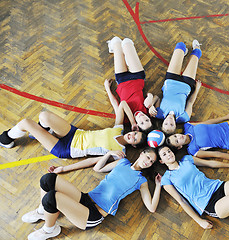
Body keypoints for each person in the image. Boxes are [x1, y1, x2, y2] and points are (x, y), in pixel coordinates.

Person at [21, 147, 161, 239]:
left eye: (151, 161)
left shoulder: (141, 181)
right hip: (86, 198)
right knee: (47, 179)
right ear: (142, 153)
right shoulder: (122, 162)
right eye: (148, 157)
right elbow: (98, 169)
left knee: (51, 197)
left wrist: (158, 185)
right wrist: (108, 154)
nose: (148, 162)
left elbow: (151, 207)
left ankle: (50, 229)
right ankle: (42, 211)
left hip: (94, 214)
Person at [158, 146, 229, 229]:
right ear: (161, 161)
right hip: (210, 204)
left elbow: (210, 164)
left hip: (217, 187)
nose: (168, 154)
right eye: (164, 154)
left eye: (169, 151)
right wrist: (199, 221)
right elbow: (181, 201)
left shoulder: (187, 159)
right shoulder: (167, 178)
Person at [0, 100, 146, 158]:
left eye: (134, 138)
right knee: (44, 116)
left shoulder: (120, 153)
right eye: (134, 133)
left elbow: (95, 164)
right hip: (75, 133)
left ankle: (5, 139)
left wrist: (64, 169)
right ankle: (43, 133)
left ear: (133, 145)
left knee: (26, 122)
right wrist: (133, 122)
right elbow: (122, 104)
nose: (131, 135)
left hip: (66, 148)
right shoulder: (118, 130)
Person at [147, 40, 203, 135]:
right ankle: (196, 47)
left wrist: (151, 105)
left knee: (180, 45)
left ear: (162, 123)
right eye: (171, 124)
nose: (169, 121)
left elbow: (157, 97)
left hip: (171, 80)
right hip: (186, 84)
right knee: (197, 53)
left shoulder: (159, 114)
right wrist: (197, 89)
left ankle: (183, 52)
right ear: (175, 126)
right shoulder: (184, 117)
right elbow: (190, 102)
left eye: (166, 124)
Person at [105, 36, 159, 132]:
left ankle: (115, 49)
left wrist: (107, 88)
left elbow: (116, 103)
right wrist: (150, 99)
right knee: (126, 41)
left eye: (142, 122)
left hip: (122, 79)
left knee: (116, 40)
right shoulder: (147, 111)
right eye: (147, 120)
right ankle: (125, 55)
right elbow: (154, 96)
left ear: (137, 126)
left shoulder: (125, 119)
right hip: (138, 77)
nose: (143, 118)